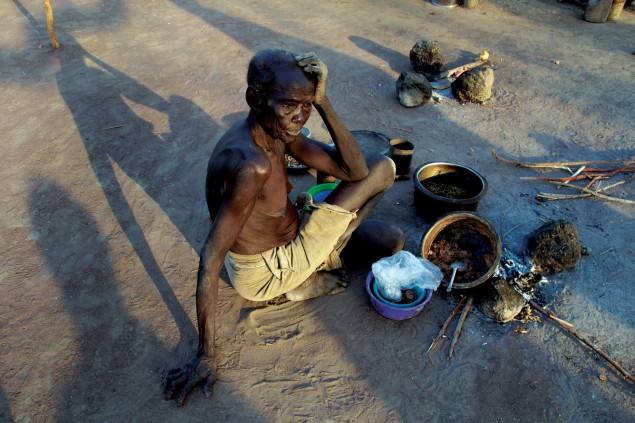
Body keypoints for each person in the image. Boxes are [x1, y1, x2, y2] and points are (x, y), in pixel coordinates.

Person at [163, 49, 404, 405]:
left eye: (307, 105)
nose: (299, 116)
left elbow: (352, 170)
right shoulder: (252, 166)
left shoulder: (272, 131)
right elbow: (211, 258)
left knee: (390, 241)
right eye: (291, 104)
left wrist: (323, 103)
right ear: (255, 99)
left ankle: (329, 249)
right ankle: (303, 278)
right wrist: (205, 355)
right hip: (266, 271)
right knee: (385, 168)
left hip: (283, 239)